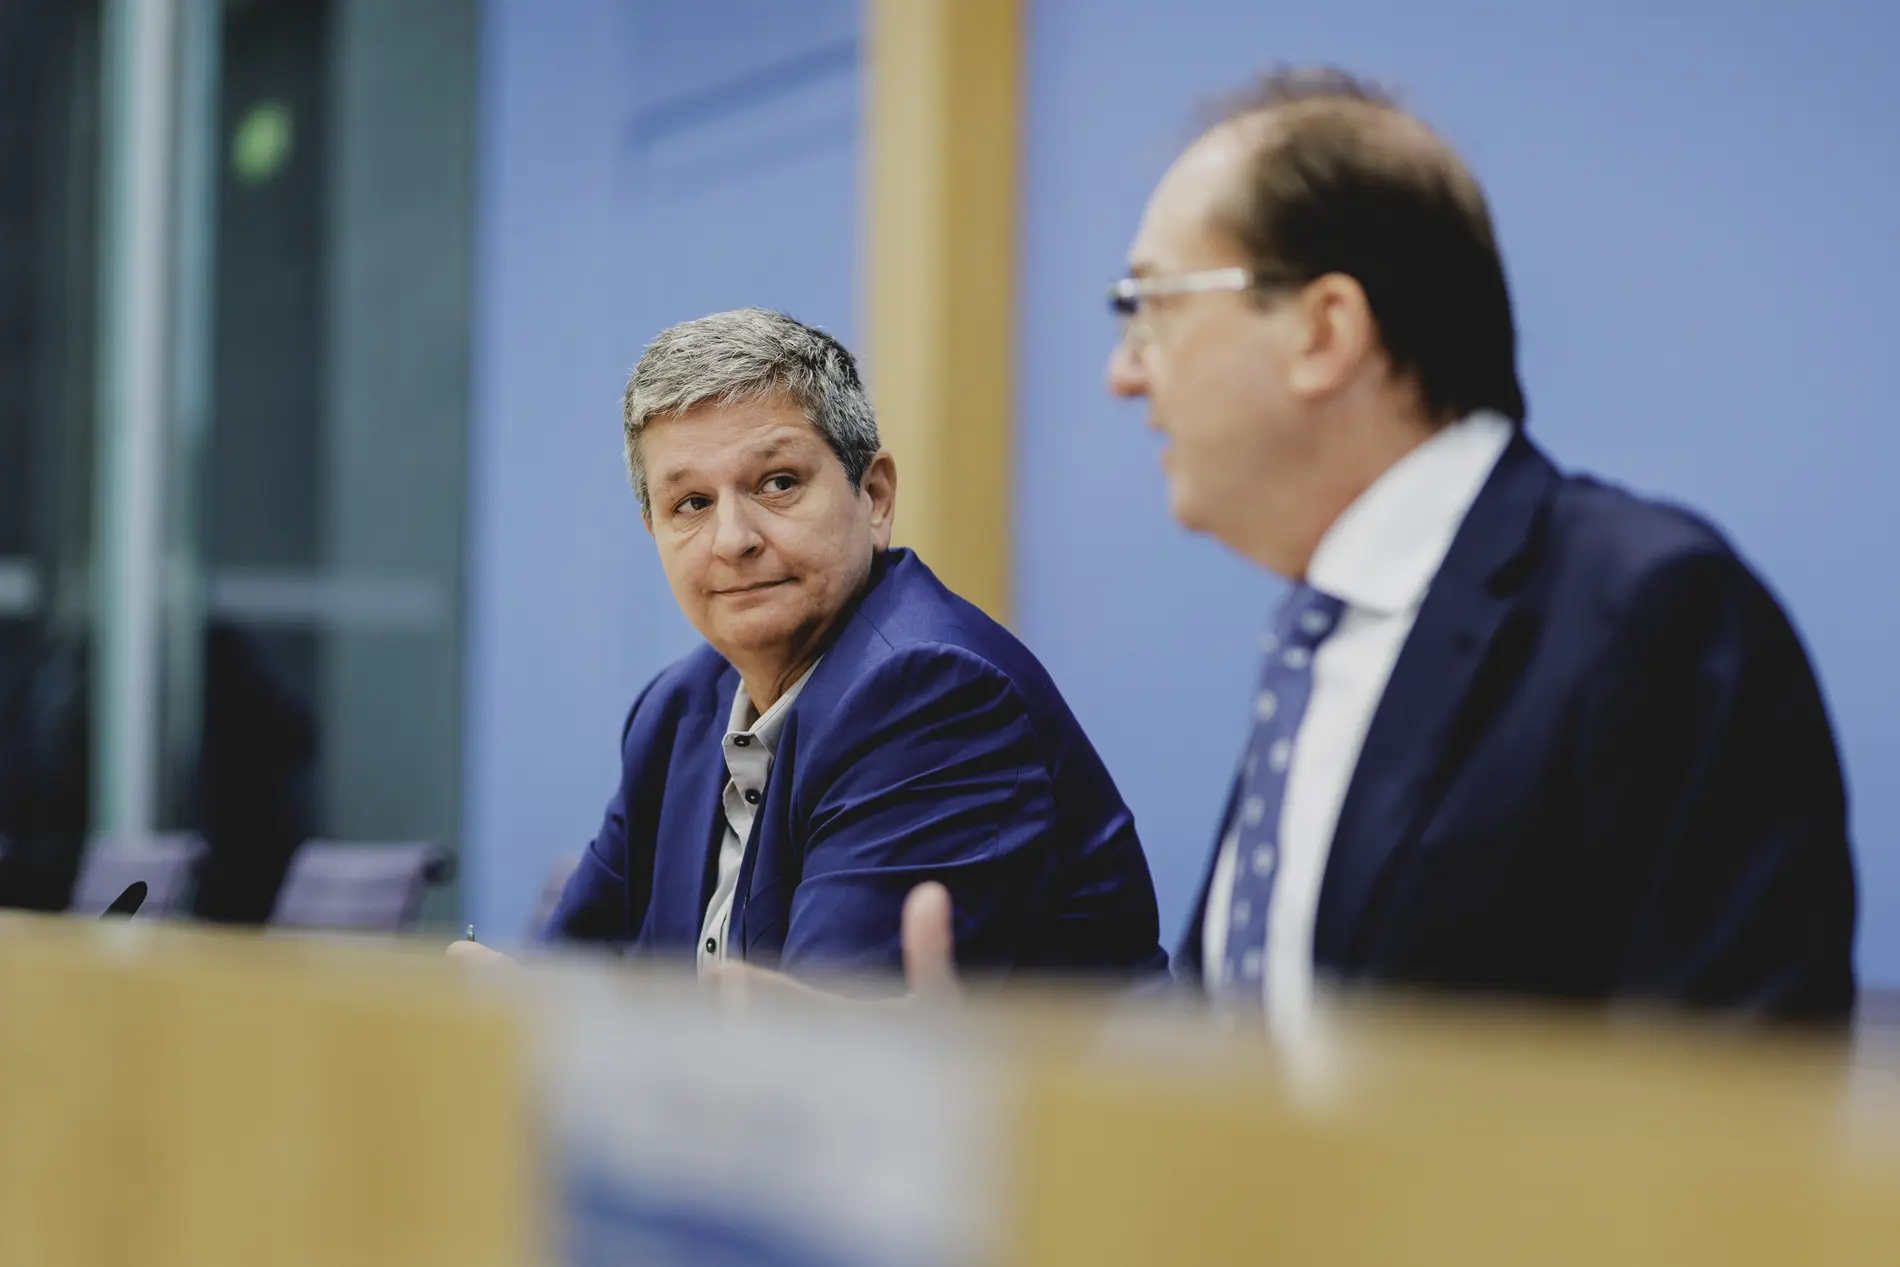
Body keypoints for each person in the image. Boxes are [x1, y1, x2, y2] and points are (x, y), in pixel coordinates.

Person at [902, 67, 1858, 1024]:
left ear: (1324, 331)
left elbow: (1719, 1124)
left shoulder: (1654, 614)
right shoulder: (1320, 637)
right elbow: (1254, 1063)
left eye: (1152, 305)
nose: (1123, 373)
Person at [455, 308, 1167, 986]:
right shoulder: (677, 713)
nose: (732, 539)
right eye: (691, 504)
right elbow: (567, 984)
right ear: (655, 532)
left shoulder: (932, 695)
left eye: (779, 482)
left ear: (876, 496)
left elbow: (820, 1062)